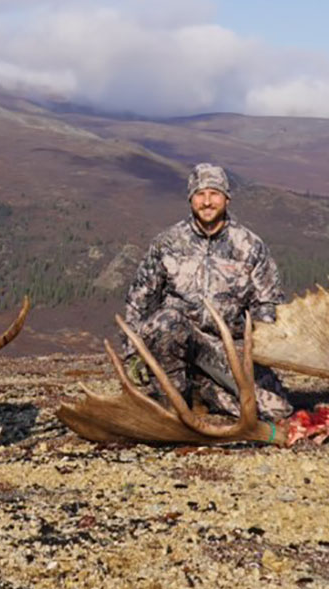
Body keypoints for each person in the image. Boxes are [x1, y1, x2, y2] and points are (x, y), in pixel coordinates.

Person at [120, 162, 294, 421]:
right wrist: (132, 354)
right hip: (176, 344)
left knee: (276, 411)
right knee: (167, 322)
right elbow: (139, 301)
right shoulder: (167, 243)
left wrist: (258, 353)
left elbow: (268, 306)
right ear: (191, 199)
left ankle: (204, 388)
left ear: (227, 198)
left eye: (214, 193)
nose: (207, 202)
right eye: (200, 194)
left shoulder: (250, 246)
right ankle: (172, 402)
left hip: (226, 351)